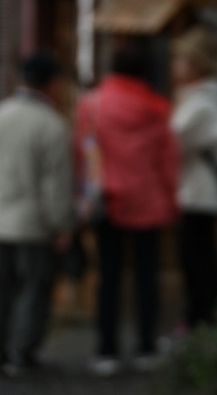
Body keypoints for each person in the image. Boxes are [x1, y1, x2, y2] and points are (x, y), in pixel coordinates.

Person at [75, 42, 179, 375]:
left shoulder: (91, 106)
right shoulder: (158, 107)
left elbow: (81, 155)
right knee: (147, 276)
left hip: (107, 201)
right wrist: (170, 197)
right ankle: (146, 346)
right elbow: (168, 160)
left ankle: (106, 350)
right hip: (149, 200)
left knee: (108, 277)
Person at [0, 51, 73, 375]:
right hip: (32, 223)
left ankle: (4, 353)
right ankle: (22, 353)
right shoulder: (52, 124)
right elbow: (55, 185)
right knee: (32, 289)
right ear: (52, 85)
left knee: (3, 289)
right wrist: (61, 225)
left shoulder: (2, 113)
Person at [170, 26, 217, 330]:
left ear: (196, 65)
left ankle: (202, 319)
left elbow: (172, 141)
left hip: (198, 192)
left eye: (181, 60)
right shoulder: (200, 98)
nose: (175, 66)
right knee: (198, 259)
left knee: (198, 262)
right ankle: (203, 318)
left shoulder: (203, 102)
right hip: (194, 190)